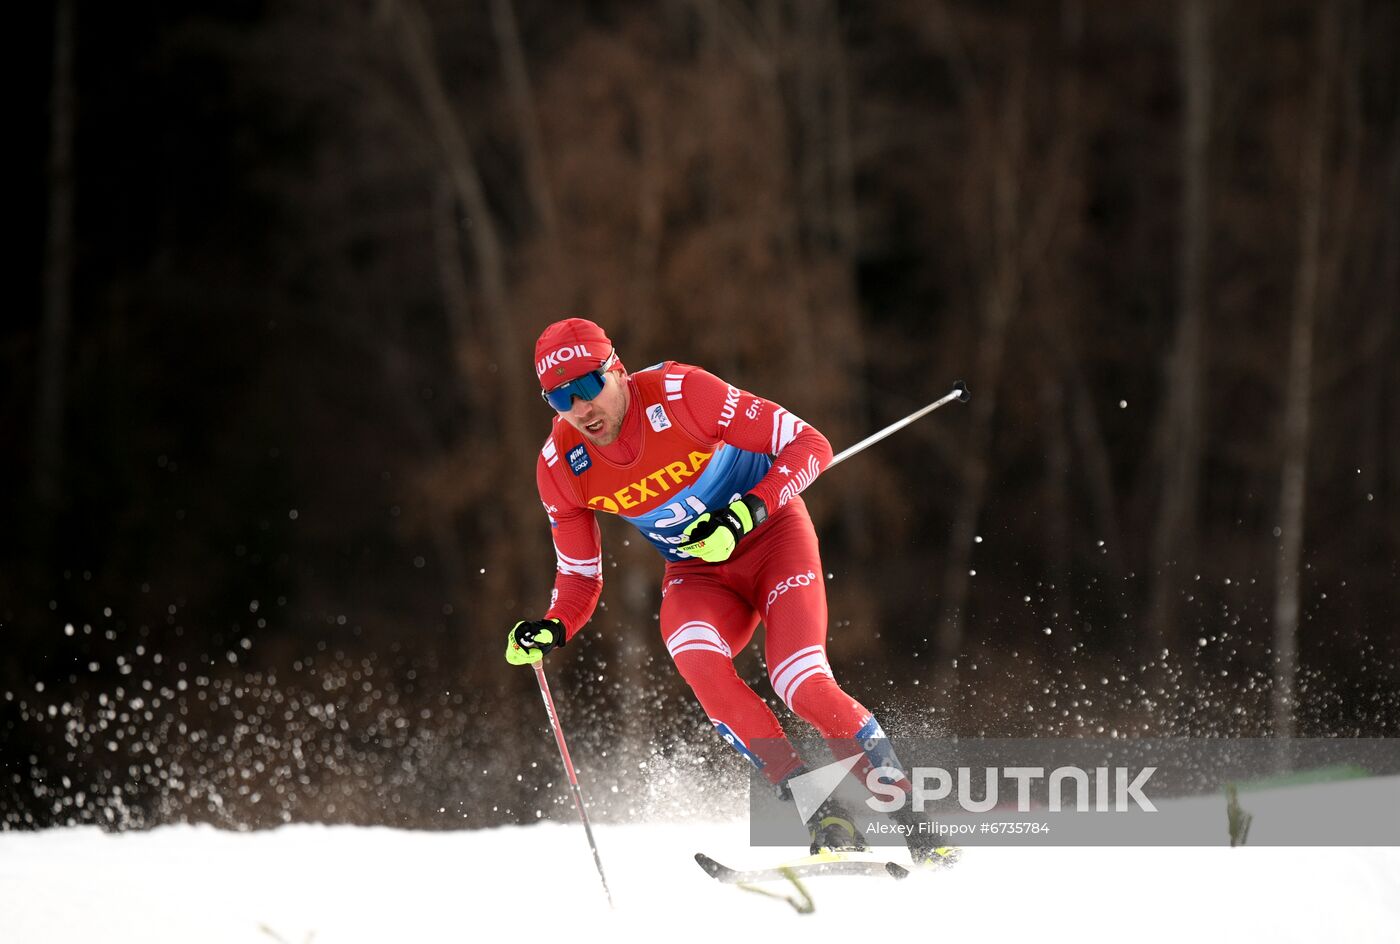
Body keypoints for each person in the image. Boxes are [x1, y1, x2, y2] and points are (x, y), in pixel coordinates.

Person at [504, 318, 943, 863]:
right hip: (699, 574)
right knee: (693, 653)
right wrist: (552, 626)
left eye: (589, 386)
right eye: (559, 397)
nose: (580, 408)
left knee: (799, 682)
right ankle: (825, 814)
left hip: (773, 542)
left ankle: (915, 826)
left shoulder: (682, 393)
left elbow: (810, 444)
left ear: (616, 369)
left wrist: (744, 514)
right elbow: (579, 576)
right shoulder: (560, 466)